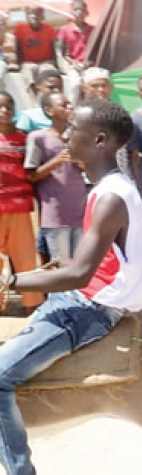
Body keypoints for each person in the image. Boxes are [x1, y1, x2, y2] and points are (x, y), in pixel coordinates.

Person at [0, 99, 142, 475]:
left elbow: (82, 273)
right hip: (89, 296)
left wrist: (10, 284)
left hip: (88, 310)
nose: (66, 138)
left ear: (100, 140)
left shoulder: (109, 197)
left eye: (74, 132)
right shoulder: (110, 188)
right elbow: (91, 261)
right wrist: (36, 273)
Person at [25, 92, 86, 261]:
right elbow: (31, 175)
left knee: (80, 266)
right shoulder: (38, 138)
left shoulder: (77, 136)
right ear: (49, 110)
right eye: (63, 105)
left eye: (69, 103)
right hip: (56, 214)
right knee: (62, 265)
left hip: (80, 211)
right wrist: (57, 161)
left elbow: (87, 169)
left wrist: (82, 163)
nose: (69, 107)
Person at [0, 90, 42, 310]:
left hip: (20, 209)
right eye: (0, 107)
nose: (4, 111)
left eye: (8, 106)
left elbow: (33, 172)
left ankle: (32, 309)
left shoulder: (25, 139)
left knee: (25, 261)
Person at [12, 6, 54, 82]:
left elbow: (54, 48)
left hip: (45, 62)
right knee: (28, 72)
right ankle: (32, 93)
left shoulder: (49, 29)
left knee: (48, 72)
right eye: (30, 13)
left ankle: (47, 92)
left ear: (42, 16)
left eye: (37, 14)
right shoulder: (20, 28)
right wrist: (19, 64)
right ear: (26, 15)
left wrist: (55, 63)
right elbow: (17, 48)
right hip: (28, 63)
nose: (33, 16)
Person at [56, 0, 92, 74]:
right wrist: (73, 63)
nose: (79, 12)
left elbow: (96, 50)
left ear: (86, 13)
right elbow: (63, 53)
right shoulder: (65, 29)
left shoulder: (93, 30)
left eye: (82, 10)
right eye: (76, 10)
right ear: (71, 12)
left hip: (88, 63)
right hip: (71, 63)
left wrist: (89, 62)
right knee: (75, 81)